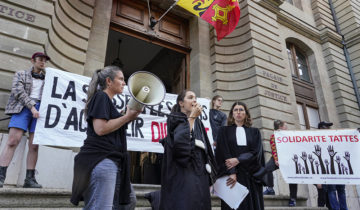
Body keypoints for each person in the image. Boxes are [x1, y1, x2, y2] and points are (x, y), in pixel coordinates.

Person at [70, 66, 142, 209]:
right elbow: (101, 129)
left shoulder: (108, 102)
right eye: (121, 79)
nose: (124, 83)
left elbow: (111, 125)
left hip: (112, 161)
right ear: (109, 81)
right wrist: (127, 117)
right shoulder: (101, 96)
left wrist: (126, 117)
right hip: (101, 160)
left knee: (128, 201)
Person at [160, 90, 217, 210]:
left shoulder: (199, 123)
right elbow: (180, 144)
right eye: (190, 97)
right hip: (183, 170)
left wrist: (210, 177)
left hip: (200, 170)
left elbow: (207, 149)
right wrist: (191, 118)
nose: (194, 100)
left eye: (195, 98)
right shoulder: (174, 119)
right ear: (181, 103)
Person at [0, 52, 50, 188]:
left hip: (40, 111)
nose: (42, 63)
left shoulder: (49, 79)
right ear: (32, 60)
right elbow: (18, 92)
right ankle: (0, 176)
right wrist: (32, 107)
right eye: (40, 60)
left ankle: (29, 179)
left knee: (34, 145)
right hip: (22, 107)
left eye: (45, 61)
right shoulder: (20, 74)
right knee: (12, 141)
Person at [215, 101, 265, 210]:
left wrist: (238, 159)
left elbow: (256, 152)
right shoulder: (224, 131)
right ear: (232, 114)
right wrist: (232, 172)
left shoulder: (255, 132)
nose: (238, 112)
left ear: (246, 114)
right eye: (235, 110)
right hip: (232, 176)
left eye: (241, 110)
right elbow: (223, 152)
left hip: (250, 175)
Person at [256, 120, 298, 207]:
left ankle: (293, 198)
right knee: (267, 168)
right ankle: (270, 189)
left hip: (289, 159)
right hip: (278, 158)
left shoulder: (290, 136)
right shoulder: (273, 136)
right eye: (285, 126)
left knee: (292, 177)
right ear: (280, 127)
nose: (287, 128)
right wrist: (276, 159)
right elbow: (273, 148)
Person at [318, 121, 348, 210]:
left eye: (328, 128)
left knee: (341, 191)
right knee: (331, 190)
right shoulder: (317, 141)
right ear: (320, 129)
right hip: (328, 171)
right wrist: (318, 179)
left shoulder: (335, 138)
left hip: (339, 169)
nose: (327, 129)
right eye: (325, 128)